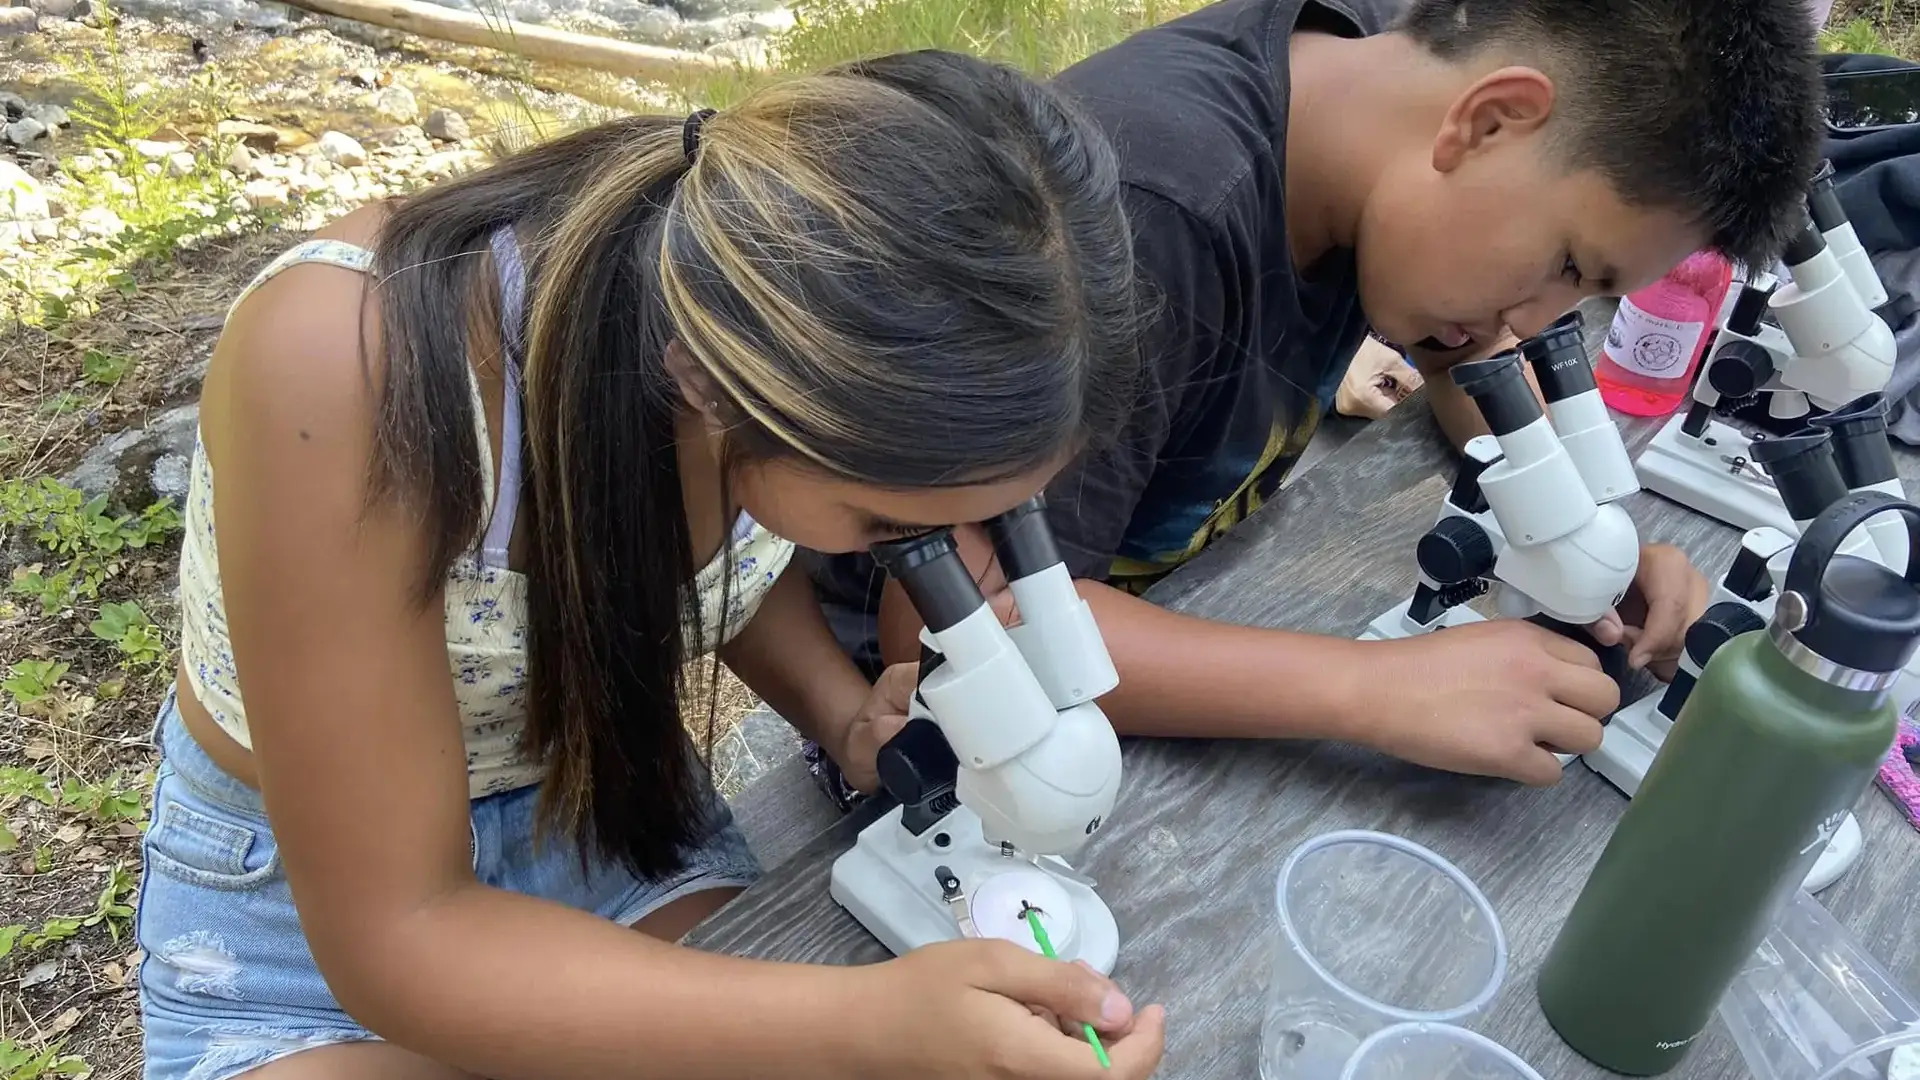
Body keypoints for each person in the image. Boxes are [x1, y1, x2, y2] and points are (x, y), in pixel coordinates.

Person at [136, 50, 1167, 1080]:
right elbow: (399, 933)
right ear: (717, 386)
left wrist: (843, 712)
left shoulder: (719, 319)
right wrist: (870, 1027)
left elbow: (693, 547)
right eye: (889, 522)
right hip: (317, 914)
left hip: (596, 810)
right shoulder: (347, 368)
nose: (938, 564)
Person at [808, 0, 1824, 806]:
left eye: (1587, 295)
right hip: (935, 718)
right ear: (1492, 119)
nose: (1535, 315)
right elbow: (959, 625)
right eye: (1565, 263)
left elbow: (1478, 355)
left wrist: (1576, 535)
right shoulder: (1148, 222)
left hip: (1142, 614)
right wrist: (1371, 690)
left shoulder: (1391, 78)